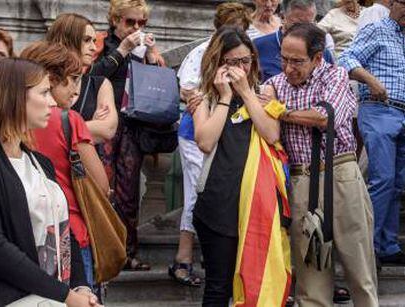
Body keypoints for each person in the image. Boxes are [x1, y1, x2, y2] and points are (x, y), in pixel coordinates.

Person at [265, 23, 378, 306]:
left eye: (297, 61)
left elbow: (324, 118)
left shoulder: (335, 75)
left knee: (358, 264)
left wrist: (282, 111)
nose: (289, 67)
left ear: (317, 58)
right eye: (284, 59)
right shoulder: (275, 85)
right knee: (310, 273)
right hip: (302, 180)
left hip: (341, 173)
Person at [193, 26, 291, 306]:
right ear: (218, 61)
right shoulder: (205, 97)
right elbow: (206, 141)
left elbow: (272, 134)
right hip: (218, 202)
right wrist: (225, 96)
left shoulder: (264, 91)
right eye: (232, 62)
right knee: (218, 287)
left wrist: (247, 92)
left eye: (245, 61)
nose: (240, 68)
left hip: (258, 206)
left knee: (254, 286)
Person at [0, 58, 99, 306]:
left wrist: (82, 286)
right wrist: (66, 296)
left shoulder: (40, 162)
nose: (53, 102)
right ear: (15, 97)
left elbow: (64, 232)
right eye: (43, 92)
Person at [169, 1, 252, 288]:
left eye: (242, 29)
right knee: (198, 193)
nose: (238, 35)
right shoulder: (202, 53)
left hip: (228, 138)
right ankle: (185, 257)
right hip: (197, 133)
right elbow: (187, 88)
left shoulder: (249, 74)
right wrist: (211, 95)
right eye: (232, 28)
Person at [21, 41, 110, 289]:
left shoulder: (16, 125)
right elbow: (101, 184)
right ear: (50, 79)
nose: (76, 89)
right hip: (70, 232)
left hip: (28, 234)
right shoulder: (69, 120)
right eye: (72, 78)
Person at [90, 0, 164, 272]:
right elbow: (93, 77)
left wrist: (153, 54)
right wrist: (123, 49)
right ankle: (102, 251)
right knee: (102, 186)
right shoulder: (101, 44)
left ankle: (127, 252)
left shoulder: (144, 49)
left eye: (141, 23)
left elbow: (159, 87)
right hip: (105, 123)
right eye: (129, 22)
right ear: (115, 21)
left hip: (133, 125)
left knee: (128, 192)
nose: (135, 28)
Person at [339, 0, 405, 267]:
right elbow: (346, 59)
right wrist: (370, 80)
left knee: (396, 183)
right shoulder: (377, 28)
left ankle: (387, 246)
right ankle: (366, 248)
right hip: (379, 110)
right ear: (391, 3)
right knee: (383, 179)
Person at [46, 13, 118, 144]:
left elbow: (108, 129)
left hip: (82, 162)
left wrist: (56, 130)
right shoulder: (44, 78)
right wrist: (89, 125)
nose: (94, 48)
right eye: (86, 40)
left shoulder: (100, 84)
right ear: (66, 39)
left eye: (94, 41)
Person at [253, 0, 335, 83]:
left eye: (309, 25)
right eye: (297, 25)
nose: (304, 30)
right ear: (282, 17)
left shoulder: (322, 53)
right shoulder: (259, 47)